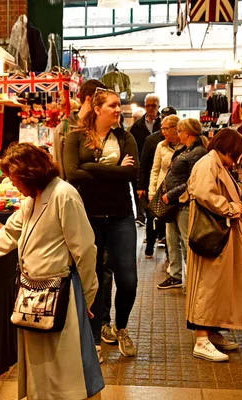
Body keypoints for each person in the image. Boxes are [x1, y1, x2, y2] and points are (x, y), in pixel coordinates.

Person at [0, 143, 104, 399]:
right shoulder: (33, 199)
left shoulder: (64, 195)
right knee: (41, 364)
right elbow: (9, 234)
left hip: (60, 292)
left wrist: (87, 295)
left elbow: (85, 250)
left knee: (63, 364)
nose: (13, 184)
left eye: (14, 177)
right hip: (34, 294)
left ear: (29, 172)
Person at [64, 88, 139, 362]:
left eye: (119, 106)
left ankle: (121, 327)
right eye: (113, 105)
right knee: (92, 279)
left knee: (128, 280)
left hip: (121, 216)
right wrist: (114, 169)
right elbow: (71, 173)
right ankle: (94, 336)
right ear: (97, 109)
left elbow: (132, 173)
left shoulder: (125, 137)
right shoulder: (75, 138)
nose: (119, 110)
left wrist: (92, 167)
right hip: (88, 217)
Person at [185, 128, 242, 362]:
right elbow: (206, 193)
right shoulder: (208, 163)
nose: (236, 160)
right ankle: (202, 339)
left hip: (220, 232)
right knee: (209, 282)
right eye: (236, 154)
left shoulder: (216, 163)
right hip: (213, 233)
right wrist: (232, 208)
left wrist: (241, 204)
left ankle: (211, 330)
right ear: (228, 149)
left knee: (216, 283)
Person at [159, 118, 208, 290]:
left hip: (183, 202)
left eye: (179, 131)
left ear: (187, 132)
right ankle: (176, 275)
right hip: (175, 203)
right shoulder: (186, 150)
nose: (177, 134)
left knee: (187, 241)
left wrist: (171, 194)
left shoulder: (198, 152)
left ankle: (193, 278)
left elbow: (192, 180)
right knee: (172, 240)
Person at [137, 106, 177, 259]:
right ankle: (149, 246)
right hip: (156, 185)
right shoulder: (154, 141)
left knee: (168, 221)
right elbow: (146, 164)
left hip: (173, 190)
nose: (164, 130)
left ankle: (168, 250)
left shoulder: (181, 144)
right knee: (152, 216)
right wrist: (143, 186)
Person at [54, 79, 106, 179]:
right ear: (88, 99)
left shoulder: (102, 125)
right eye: (100, 101)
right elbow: (59, 164)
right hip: (73, 189)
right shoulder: (64, 128)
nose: (103, 105)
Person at [129, 94, 161, 226]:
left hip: (159, 163)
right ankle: (142, 217)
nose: (150, 108)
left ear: (158, 106)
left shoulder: (163, 124)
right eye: (148, 105)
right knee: (141, 192)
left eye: (153, 105)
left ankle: (157, 224)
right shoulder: (137, 126)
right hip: (143, 164)